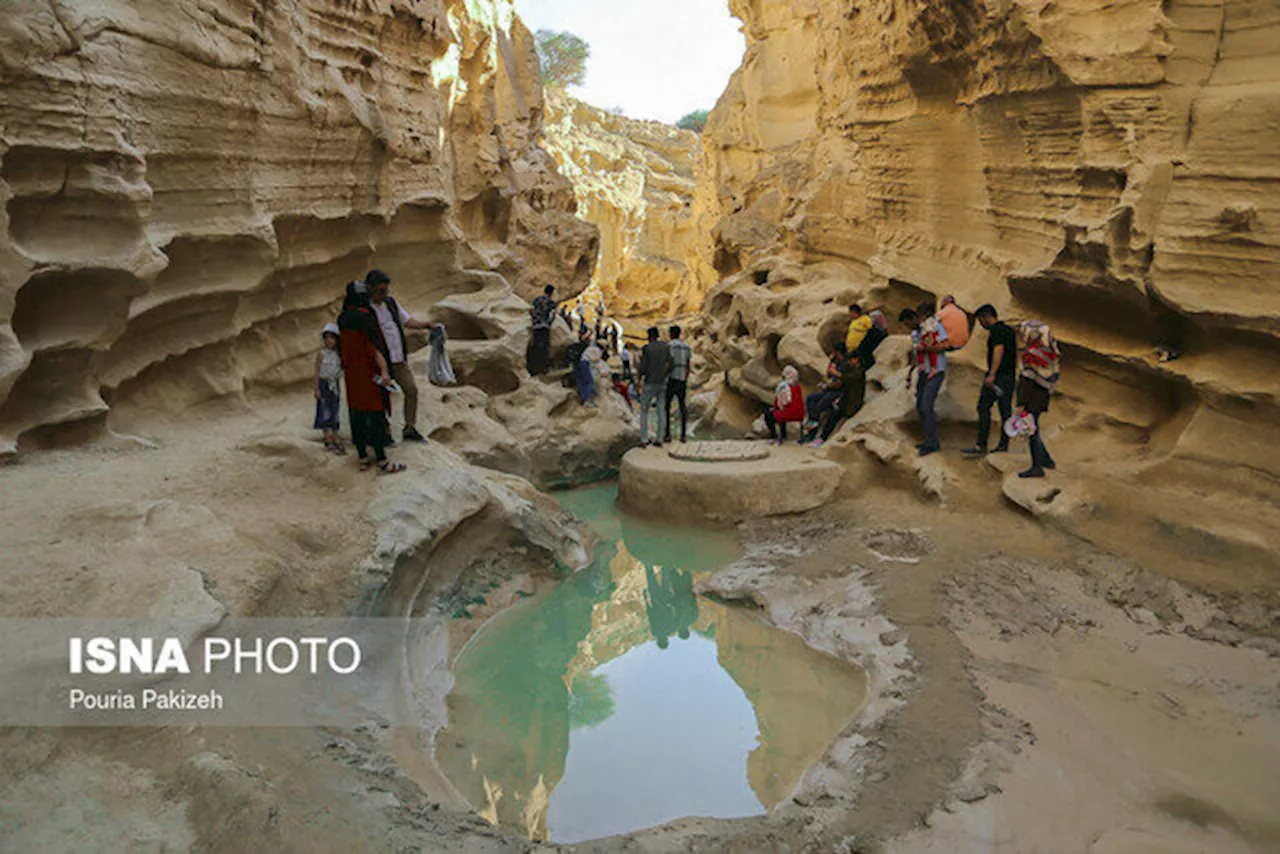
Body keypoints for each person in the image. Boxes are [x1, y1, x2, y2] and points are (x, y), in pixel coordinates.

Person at [338, 281, 404, 474]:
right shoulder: (365, 317)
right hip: (368, 373)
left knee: (356, 414)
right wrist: (384, 372)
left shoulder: (342, 318)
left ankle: (363, 458)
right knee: (375, 415)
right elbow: (374, 348)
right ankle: (382, 460)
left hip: (351, 375)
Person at [365, 269, 433, 443]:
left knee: (411, 390)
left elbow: (407, 321)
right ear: (370, 288)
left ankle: (409, 428)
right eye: (380, 291)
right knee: (380, 398)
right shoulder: (365, 310)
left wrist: (426, 325)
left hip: (399, 359)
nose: (384, 294)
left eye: (386, 290)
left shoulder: (391, 303)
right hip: (380, 362)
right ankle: (384, 432)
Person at [963, 305, 1016, 457]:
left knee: (983, 406)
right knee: (1005, 411)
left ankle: (981, 445)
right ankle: (1003, 445)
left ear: (986, 316)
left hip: (998, 376)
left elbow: (998, 350)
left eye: (981, 320)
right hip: (1009, 376)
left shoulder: (996, 331)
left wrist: (992, 374)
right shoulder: (1008, 330)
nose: (981, 323)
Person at [900, 306, 950, 456]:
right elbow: (917, 354)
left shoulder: (933, 327)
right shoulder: (915, 333)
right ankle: (928, 440)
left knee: (927, 406)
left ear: (914, 318)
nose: (908, 327)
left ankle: (932, 443)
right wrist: (910, 372)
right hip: (923, 372)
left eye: (908, 324)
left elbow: (945, 345)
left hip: (936, 371)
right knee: (920, 405)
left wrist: (928, 348)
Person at [1016, 320, 1061, 478]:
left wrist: (1021, 403)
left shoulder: (1031, 354)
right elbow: (1053, 376)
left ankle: (1037, 467)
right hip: (1042, 396)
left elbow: (1027, 380)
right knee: (1034, 428)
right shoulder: (1050, 353)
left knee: (1031, 431)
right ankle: (1046, 460)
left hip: (1031, 398)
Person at [313, 323, 345, 454]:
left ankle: (335, 434)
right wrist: (316, 388)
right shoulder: (322, 354)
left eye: (331, 338)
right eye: (326, 338)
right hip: (324, 383)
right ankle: (327, 436)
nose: (328, 341)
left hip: (334, 384)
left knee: (334, 408)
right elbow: (316, 370)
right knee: (324, 408)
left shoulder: (339, 354)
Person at [637, 326, 670, 446]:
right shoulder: (665, 347)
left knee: (644, 410)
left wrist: (638, 380)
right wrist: (664, 375)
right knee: (661, 410)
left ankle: (643, 439)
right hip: (662, 382)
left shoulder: (647, 348)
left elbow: (643, 366)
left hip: (650, 382)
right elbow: (670, 363)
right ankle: (660, 438)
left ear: (649, 337)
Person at [665, 325, 692, 443]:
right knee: (682, 407)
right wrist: (685, 378)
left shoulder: (669, 346)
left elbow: (668, 363)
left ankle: (667, 434)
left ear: (671, 334)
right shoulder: (686, 347)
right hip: (682, 379)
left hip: (671, 379)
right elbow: (688, 365)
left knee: (667, 406)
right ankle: (683, 435)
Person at [764, 365, 805, 444]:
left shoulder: (783, 386)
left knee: (769, 414)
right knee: (780, 412)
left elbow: (781, 403)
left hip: (789, 413)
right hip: (800, 414)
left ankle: (775, 436)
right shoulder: (798, 386)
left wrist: (775, 408)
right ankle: (784, 436)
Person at [528, 284, 556, 376]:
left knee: (535, 347)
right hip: (545, 327)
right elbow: (553, 314)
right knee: (544, 348)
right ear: (551, 293)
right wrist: (549, 323)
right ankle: (543, 369)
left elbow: (531, 310)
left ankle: (532, 369)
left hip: (536, 326)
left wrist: (534, 321)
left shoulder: (537, 300)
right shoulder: (551, 302)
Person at [577, 332, 602, 406]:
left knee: (582, 381)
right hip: (585, 364)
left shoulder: (589, 347)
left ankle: (583, 398)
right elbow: (596, 360)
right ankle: (588, 400)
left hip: (579, 362)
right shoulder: (597, 350)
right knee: (590, 382)